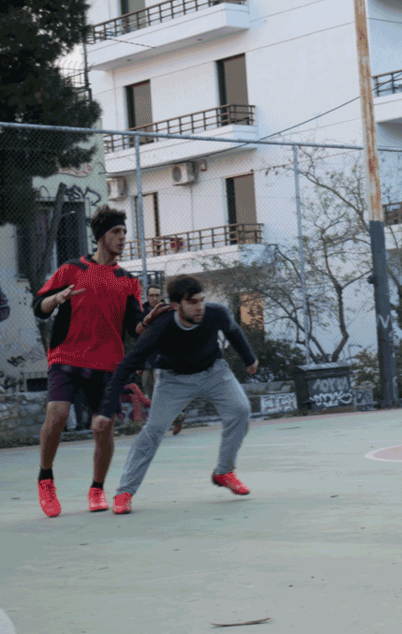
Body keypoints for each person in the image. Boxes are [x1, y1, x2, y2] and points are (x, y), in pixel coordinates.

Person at [33, 206, 169, 518]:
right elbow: (39, 306)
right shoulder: (71, 269)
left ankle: (97, 487)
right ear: (101, 236)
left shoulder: (128, 281)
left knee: (102, 430)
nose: (122, 238)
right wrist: (58, 298)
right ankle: (45, 478)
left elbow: (135, 326)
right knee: (57, 414)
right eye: (116, 233)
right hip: (66, 356)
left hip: (107, 364)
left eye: (124, 232)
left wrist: (147, 319)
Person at [103, 274, 259, 515]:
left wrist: (250, 358)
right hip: (173, 380)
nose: (199, 307)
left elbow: (233, 331)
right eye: (192, 302)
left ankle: (224, 472)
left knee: (240, 410)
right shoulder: (161, 326)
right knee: (154, 430)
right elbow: (128, 362)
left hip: (214, 372)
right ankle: (125, 491)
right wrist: (107, 405)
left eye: (201, 300)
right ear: (176, 305)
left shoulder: (215, 312)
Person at [140, 284, 187, 434]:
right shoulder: (141, 313)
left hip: (165, 360)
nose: (155, 298)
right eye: (152, 295)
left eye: (157, 295)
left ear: (161, 297)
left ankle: (160, 426)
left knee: (161, 395)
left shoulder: (169, 311)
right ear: (147, 297)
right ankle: (178, 417)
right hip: (147, 360)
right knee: (150, 393)